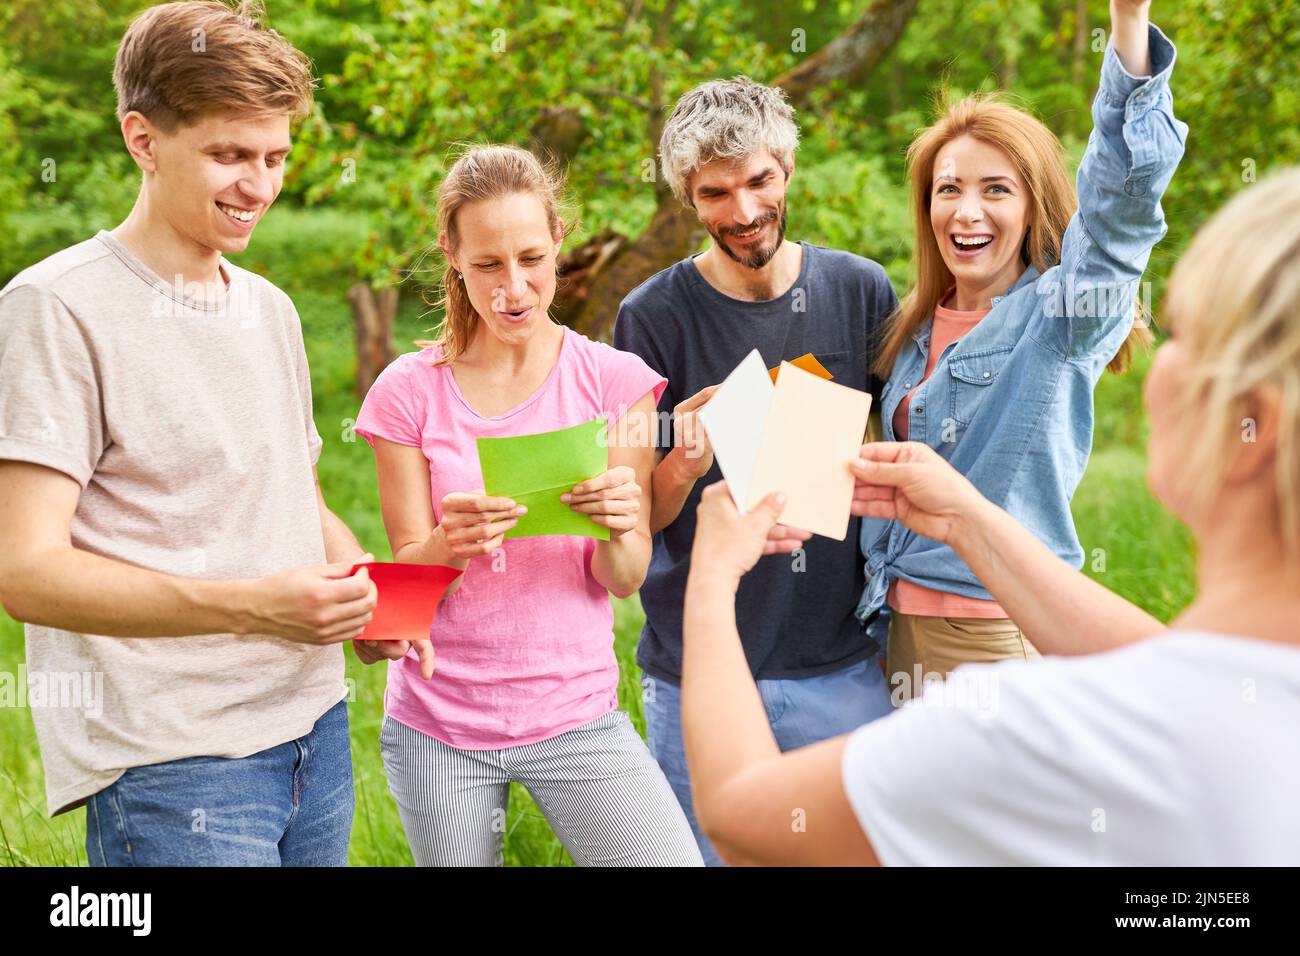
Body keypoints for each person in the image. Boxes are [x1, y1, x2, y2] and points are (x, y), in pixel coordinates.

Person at [678, 165, 1300, 866]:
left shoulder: (1024, 729)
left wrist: (710, 575)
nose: (1153, 348)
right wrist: (966, 521)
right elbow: (1165, 665)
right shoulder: (1246, 702)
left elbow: (740, 810)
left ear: (1255, 425)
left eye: (1186, 336)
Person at [0, 1, 376, 866]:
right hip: (175, 765)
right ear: (142, 138)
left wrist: (364, 593)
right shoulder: (56, 309)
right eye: (228, 155)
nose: (261, 185)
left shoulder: (269, 309)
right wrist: (254, 607)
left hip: (314, 731)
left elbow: (295, 492)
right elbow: (25, 573)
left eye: (277, 156)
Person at [352, 144, 702, 866]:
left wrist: (616, 525)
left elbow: (626, 574)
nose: (514, 288)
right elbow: (405, 579)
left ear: (559, 244)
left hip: (575, 715)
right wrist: (450, 541)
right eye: (488, 266)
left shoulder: (618, 382)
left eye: (532, 259)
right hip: (437, 723)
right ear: (451, 254)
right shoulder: (406, 392)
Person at [612, 76, 899, 865]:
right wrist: (683, 460)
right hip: (696, 672)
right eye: (715, 192)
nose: (741, 212)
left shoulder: (859, 289)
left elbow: (909, 449)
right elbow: (637, 523)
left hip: (840, 661)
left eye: (758, 181)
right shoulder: (650, 316)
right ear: (686, 198)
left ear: (789, 170)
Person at [860, 0, 1185, 689]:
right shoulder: (914, 328)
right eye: (948, 189)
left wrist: (1128, 26)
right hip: (889, 626)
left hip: (983, 637)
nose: (966, 210)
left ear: (1035, 204)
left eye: (995, 190)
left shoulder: (1058, 317)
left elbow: (1120, 216)